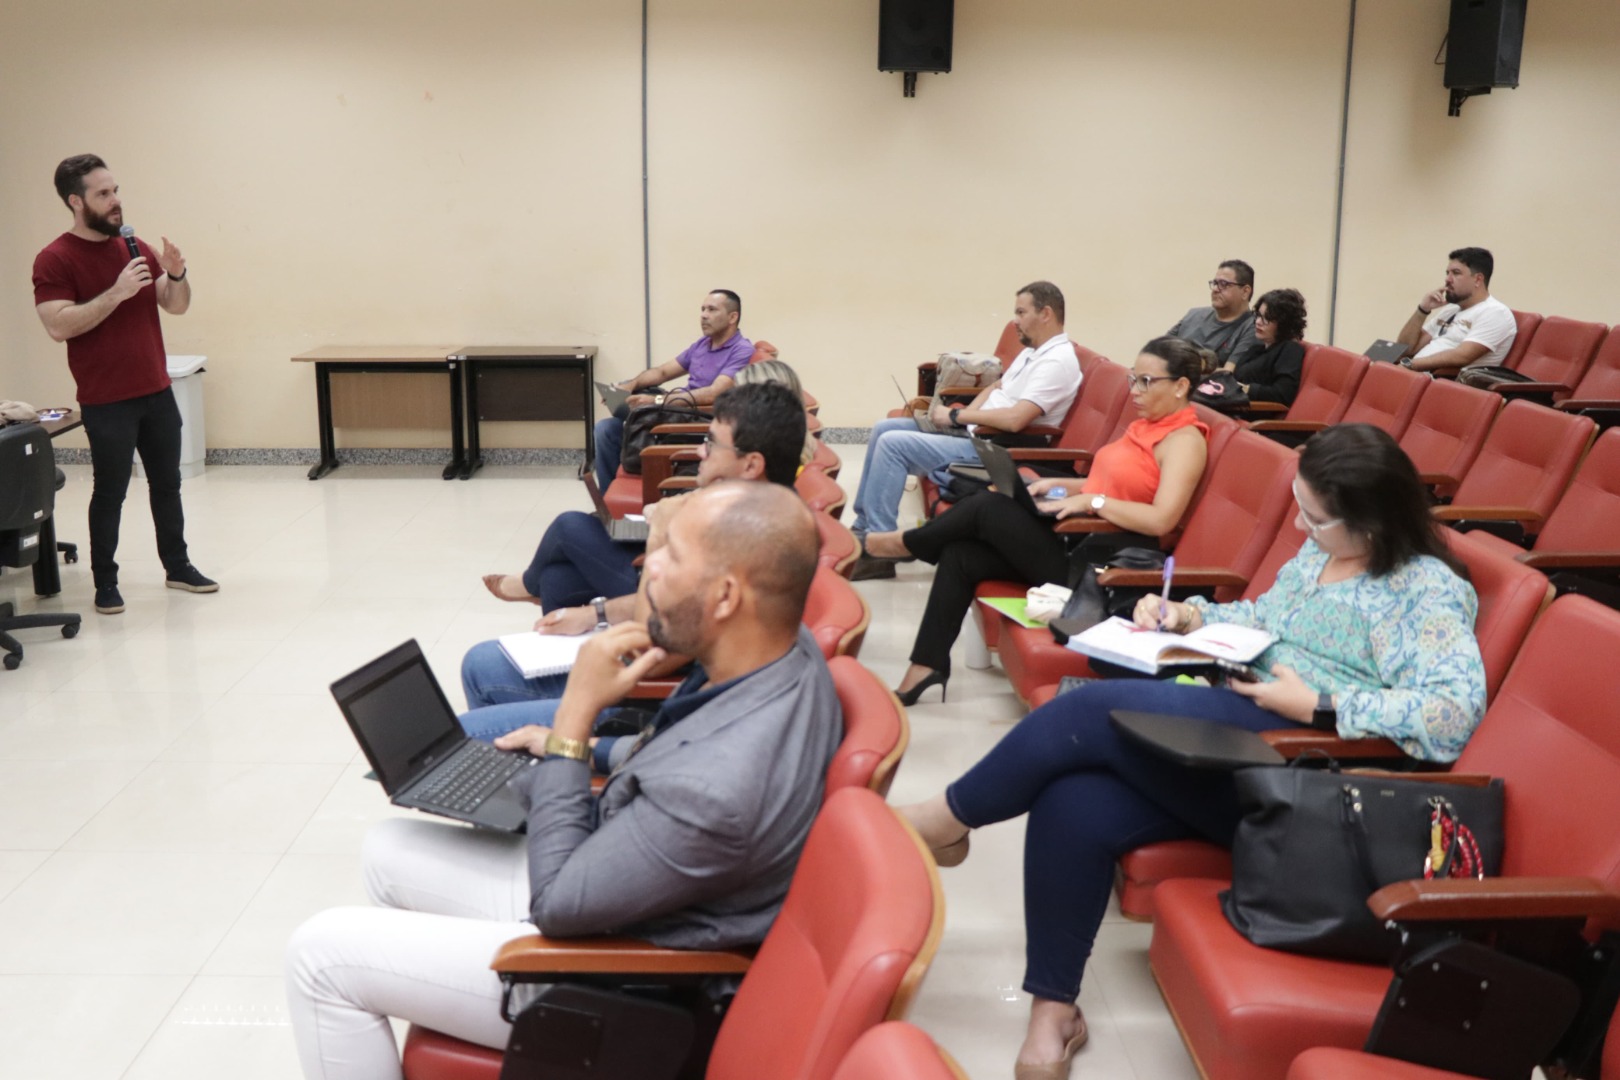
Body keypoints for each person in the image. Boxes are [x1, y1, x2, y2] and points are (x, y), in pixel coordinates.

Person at [896, 424, 1487, 1080]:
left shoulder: (1424, 590)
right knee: (1076, 801)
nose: (1300, 525)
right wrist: (1192, 618)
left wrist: (1317, 705)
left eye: (1315, 518)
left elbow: (1450, 715)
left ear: (1372, 521)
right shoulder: (1321, 553)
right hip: (1242, 742)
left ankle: (948, 819)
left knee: (1090, 710)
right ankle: (1053, 1009)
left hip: (1306, 776)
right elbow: (1267, 619)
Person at [285, 481, 840, 1080]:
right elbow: (666, 748)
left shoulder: (716, 787)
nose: (644, 565)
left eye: (670, 555)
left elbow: (555, 906)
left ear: (727, 595)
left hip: (606, 983)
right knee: (386, 849)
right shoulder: (783, 650)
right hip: (631, 878)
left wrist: (574, 720)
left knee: (319, 955)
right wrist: (567, 749)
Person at [864, 337, 1211, 704]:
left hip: (1105, 566)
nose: (1135, 392)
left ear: (1181, 386)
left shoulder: (1184, 441)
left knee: (987, 507)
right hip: (1079, 538)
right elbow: (1112, 484)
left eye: (1146, 382)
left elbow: (1161, 519)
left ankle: (904, 544)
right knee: (962, 554)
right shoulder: (1145, 426)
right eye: (1133, 380)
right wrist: (1059, 485)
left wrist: (1092, 500)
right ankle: (926, 666)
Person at [464, 381, 808, 723]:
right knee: (557, 580)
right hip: (657, 672)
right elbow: (677, 609)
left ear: (751, 465)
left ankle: (539, 756)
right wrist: (593, 616)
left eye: (711, 443)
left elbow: (655, 647)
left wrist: (660, 533)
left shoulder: (745, 540)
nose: (700, 451)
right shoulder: (757, 510)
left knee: (478, 671)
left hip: (652, 703)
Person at [31, 154, 216, 615]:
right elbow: (58, 326)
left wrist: (175, 274)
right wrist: (116, 292)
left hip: (155, 390)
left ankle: (178, 566)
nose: (116, 202)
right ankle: (105, 583)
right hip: (106, 399)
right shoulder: (54, 259)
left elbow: (175, 305)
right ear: (76, 201)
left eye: (115, 191)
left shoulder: (133, 246)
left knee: (167, 484)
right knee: (110, 492)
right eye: (103, 194)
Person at [848, 281, 1081, 580]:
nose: (1015, 320)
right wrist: (963, 418)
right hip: (975, 431)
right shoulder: (1033, 351)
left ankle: (879, 549)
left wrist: (957, 415)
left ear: (1046, 313)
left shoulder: (1058, 362)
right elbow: (997, 387)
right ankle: (863, 528)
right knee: (885, 428)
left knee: (894, 445)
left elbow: (1016, 420)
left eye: (1021, 312)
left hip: (999, 448)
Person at [593, 289, 754, 489]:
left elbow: (715, 393)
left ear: (733, 317)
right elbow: (662, 372)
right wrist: (630, 385)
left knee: (615, 425)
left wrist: (658, 401)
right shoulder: (703, 344)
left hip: (697, 424)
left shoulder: (742, 350)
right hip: (678, 412)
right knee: (606, 429)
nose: (703, 315)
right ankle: (608, 507)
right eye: (702, 309)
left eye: (712, 310)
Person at [1395, 247, 1516, 374]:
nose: (1448, 279)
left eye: (1456, 273)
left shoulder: (1495, 313)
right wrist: (1423, 309)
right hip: (1416, 376)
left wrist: (1409, 364)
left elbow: (1462, 356)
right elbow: (1406, 349)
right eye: (1447, 273)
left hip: (1445, 383)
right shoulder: (1451, 310)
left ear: (1478, 279)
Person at [1167, 260, 1262, 369]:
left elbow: (1227, 374)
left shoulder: (1254, 326)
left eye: (1223, 284)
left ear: (1245, 292)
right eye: (1215, 283)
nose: (1215, 289)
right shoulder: (1193, 314)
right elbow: (1158, 352)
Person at [1223, 287, 1307, 406]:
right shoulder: (1257, 349)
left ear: (1284, 323)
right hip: (1233, 403)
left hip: (1253, 412)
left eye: (1266, 318)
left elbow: (1282, 394)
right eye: (1258, 315)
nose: (1258, 322)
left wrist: (1247, 389)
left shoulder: (1290, 350)